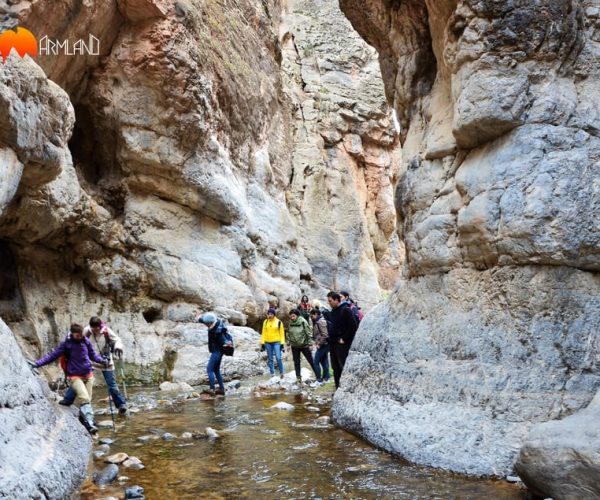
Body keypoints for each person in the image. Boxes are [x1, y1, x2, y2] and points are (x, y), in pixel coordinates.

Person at [32, 323, 108, 434]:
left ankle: (82, 419)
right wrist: (37, 364)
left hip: (88, 375)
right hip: (75, 376)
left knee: (87, 401)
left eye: (81, 335)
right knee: (85, 398)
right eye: (77, 335)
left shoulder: (85, 341)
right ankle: (91, 424)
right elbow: (52, 356)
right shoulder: (66, 344)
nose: (80, 337)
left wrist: (102, 360)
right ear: (72, 334)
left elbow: (93, 355)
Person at [60, 316, 128, 414]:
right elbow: (72, 336)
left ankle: (121, 404)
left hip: (105, 361)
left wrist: (118, 347)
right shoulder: (86, 331)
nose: (95, 330)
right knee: (79, 379)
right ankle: (68, 399)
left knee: (112, 384)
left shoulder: (106, 331)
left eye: (97, 328)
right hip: (90, 360)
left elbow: (117, 339)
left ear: (100, 326)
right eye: (93, 328)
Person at [327, 291, 359, 389]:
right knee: (335, 368)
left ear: (337, 300)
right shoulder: (332, 312)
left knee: (343, 367)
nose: (329, 303)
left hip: (342, 345)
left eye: (330, 301)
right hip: (333, 343)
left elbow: (353, 326)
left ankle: (347, 388)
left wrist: (344, 338)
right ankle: (338, 388)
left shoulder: (346, 310)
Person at [197, 312, 230, 396]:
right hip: (218, 351)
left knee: (209, 369)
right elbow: (204, 320)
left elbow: (223, 339)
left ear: (210, 324)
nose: (206, 325)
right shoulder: (214, 321)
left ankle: (212, 389)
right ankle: (222, 389)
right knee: (216, 370)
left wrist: (227, 343)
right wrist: (198, 318)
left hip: (217, 351)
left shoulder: (217, 331)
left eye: (207, 324)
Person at [287, 309, 318, 384]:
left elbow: (308, 333)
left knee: (311, 360)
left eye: (293, 316)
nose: (292, 318)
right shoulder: (290, 323)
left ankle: (318, 375)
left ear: (297, 315)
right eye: (291, 316)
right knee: (296, 362)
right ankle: (298, 378)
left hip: (304, 345)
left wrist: (310, 344)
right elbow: (289, 333)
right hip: (294, 346)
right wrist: (289, 342)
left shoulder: (303, 321)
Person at [260, 308, 286, 379]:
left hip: (277, 342)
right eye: (269, 314)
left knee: (278, 357)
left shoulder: (279, 322)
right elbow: (263, 333)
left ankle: (282, 372)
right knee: (270, 358)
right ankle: (272, 373)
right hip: (268, 342)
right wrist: (262, 343)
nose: (270, 315)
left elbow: (282, 334)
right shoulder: (265, 322)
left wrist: (282, 344)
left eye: (271, 314)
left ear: (274, 314)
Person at [310, 308, 330, 384]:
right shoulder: (318, 321)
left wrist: (319, 344)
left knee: (315, 362)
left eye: (312, 316)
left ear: (316, 314)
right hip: (324, 344)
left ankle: (318, 379)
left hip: (323, 344)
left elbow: (325, 335)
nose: (311, 318)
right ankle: (326, 377)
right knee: (323, 361)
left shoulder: (320, 322)